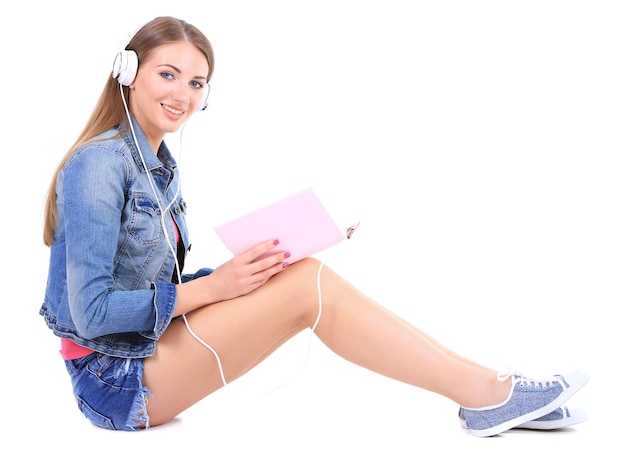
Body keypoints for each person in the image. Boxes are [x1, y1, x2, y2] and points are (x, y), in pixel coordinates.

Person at [40, 16, 589, 437]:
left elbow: (156, 290)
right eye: (168, 74)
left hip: (143, 348)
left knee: (300, 270)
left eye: (197, 82)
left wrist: (245, 271)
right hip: (112, 381)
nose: (182, 94)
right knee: (306, 285)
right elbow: (92, 313)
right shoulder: (99, 164)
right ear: (129, 74)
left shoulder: (160, 168)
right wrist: (216, 286)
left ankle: (489, 388)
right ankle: (486, 394)